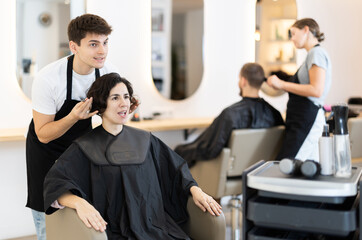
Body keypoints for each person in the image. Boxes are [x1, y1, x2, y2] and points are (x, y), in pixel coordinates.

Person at [43, 73, 222, 239]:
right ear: (101, 103)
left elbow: (176, 170)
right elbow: (55, 183)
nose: (124, 104)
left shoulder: (146, 141)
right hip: (112, 233)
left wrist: (196, 190)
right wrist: (79, 203)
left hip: (155, 229)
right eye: (115, 98)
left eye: (126, 97)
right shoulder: (84, 147)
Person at [26, 14, 122, 240]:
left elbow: (114, 116)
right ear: (74, 46)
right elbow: (43, 135)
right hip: (46, 151)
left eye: (105, 42)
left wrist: (123, 108)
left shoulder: (109, 73)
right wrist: (72, 117)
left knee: (83, 213)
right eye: (93, 44)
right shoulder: (49, 79)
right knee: (48, 219)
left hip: (82, 151)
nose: (102, 51)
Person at [175, 63, 284, 167]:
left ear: (243, 81)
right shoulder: (275, 114)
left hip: (220, 172)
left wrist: (180, 151)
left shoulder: (230, 114)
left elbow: (210, 150)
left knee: (178, 152)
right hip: (259, 171)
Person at [266, 18, 331, 162]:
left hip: (307, 119)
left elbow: (316, 90)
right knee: (306, 169)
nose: (292, 39)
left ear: (306, 30)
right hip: (303, 120)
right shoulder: (312, 55)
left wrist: (282, 84)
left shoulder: (316, 54)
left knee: (286, 165)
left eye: (294, 34)